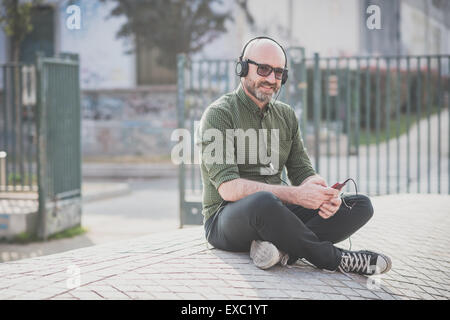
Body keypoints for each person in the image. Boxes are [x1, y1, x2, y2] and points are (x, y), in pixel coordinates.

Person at [195, 36, 391, 276]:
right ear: (243, 68)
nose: (271, 78)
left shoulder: (286, 115)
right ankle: (335, 259)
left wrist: (322, 194)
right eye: (264, 69)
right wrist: (297, 195)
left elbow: (302, 170)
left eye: (278, 72)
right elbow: (228, 188)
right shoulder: (218, 114)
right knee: (264, 201)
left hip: (278, 213)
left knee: (359, 205)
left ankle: (280, 251)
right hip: (225, 219)